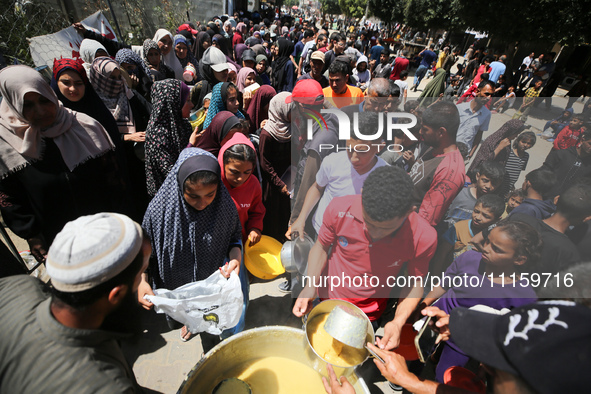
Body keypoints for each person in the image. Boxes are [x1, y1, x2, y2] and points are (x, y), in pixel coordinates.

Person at [0, 213, 149, 393]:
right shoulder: (105, 386)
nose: (141, 281)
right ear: (116, 295)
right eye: (142, 272)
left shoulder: (19, 286)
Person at [293, 166, 437, 350]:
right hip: (326, 299)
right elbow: (321, 247)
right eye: (368, 222)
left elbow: (415, 282)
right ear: (362, 195)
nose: (373, 233)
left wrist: (398, 321)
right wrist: (310, 286)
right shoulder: (339, 208)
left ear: (409, 212)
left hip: (368, 313)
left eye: (385, 229)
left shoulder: (423, 237)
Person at [0, 65, 131, 263]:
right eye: (27, 105)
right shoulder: (7, 145)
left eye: (44, 100)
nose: (41, 111)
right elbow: (10, 198)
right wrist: (32, 234)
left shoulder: (84, 126)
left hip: (106, 234)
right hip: (60, 246)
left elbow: (114, 180)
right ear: (13, 104)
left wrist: (124, 222)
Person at [140, 148, 242, 341]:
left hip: (209, 286)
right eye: (193, 196)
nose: (202, 203)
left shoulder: (224, 206)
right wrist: (142, 280)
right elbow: (144, 252)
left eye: (210, 194)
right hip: (176, 286)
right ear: (179, 186)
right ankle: (189, 323)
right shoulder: (158, 212)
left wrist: (236, 257)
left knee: (209, 325)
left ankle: (203, 333)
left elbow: (234, 236)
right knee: (184, 315)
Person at [288, 113, 388, 238]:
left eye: (362, 151)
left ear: (379, 147)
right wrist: (301, 218)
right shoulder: (333, 161)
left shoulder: (386, 177)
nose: (354, 158)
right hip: (321, 234)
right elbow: (317, 187)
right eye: (349, 149)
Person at [409, 101, 466, 227]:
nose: (420, 132)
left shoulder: (450, 170)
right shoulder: (434, 146)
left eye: (425, 129)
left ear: (441, 132)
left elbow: (426, 219)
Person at [431, 193, 506, 276]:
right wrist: (435, 278)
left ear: (497, 220)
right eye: (476, 211)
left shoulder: (496, 237)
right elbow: (442, 254)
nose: (478, 217)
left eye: (485, 216)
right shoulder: (459, 228)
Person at [145, 79, 193, 197]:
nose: (192, 105)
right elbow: (170, 173)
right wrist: (191, 145)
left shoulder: (183, 125)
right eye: (187, 101)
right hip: (166, 197)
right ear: (174, 103)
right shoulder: (157, 134)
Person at [259, 92, 292, 241]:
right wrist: (280, 184)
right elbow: (265, 163)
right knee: (272, 219)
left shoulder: (293, 129)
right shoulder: (267, 134)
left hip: (289, 182)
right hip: (273, 185)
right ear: (281, 110)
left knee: (285, 217)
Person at [443, 161, 505, 229]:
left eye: (494, 183)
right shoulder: (459, 193)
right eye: (485, 180)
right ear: (478, 176)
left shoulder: (492, 206)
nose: (488, 186)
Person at [542, 130, 591, 198]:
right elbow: (543, 173)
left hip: (568, 203)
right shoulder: (561, 154)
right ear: (582, 140)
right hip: (546, 197)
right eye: (589, 144)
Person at [456, 80, 494, 158]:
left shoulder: (487, 114)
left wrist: (470, 154)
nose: (488, 98)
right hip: (450, 149)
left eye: (491, 95)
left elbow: (478, 135)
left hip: (464, 153)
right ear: (477, 91)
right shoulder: (460, 109)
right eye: (486, 94)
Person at [499, 131, 537, 198]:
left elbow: (519, 170)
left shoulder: (526, 156)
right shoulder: (509, 153)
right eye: (523, 142)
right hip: (500, 183)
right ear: (518, 141)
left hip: (509, 186)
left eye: (529, 143)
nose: (525, 145)